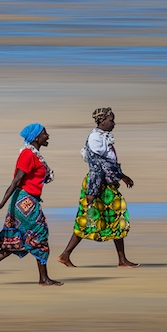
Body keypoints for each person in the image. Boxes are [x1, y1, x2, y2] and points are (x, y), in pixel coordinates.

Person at [0, 123, 63, 286]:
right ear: (36, 137)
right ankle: (43, 279)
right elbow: (16, 180)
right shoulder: (28, 155)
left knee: (18, 239)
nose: (48, 136)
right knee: (40, 235)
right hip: (25, 202)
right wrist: (1, 203)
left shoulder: (34, 154)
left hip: (27, 200)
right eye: (45, 133)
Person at [58, 107, 139, 268]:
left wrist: (121, 176)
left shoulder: (102, 136)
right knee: (89, 219)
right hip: (97, 185)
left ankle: (122, 260)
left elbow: (108, 164)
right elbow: (97, 166)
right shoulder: (95, 139)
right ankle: (65, 254)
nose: (114, 123)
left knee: (116, 217)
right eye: (111, 120)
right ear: (102, 121)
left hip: (104, 185)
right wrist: (92, 192)